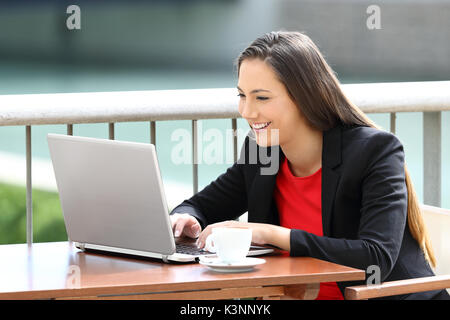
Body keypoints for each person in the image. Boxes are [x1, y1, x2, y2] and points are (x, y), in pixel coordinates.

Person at [169, 31, 449, 300]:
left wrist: (271, 234)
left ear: (304, 97)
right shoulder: (262, 153)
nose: (247, 111)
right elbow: (202, 206)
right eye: (242, 95)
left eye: (262, 97)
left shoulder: (374, 152)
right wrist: (185, 219)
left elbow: (375, 258)